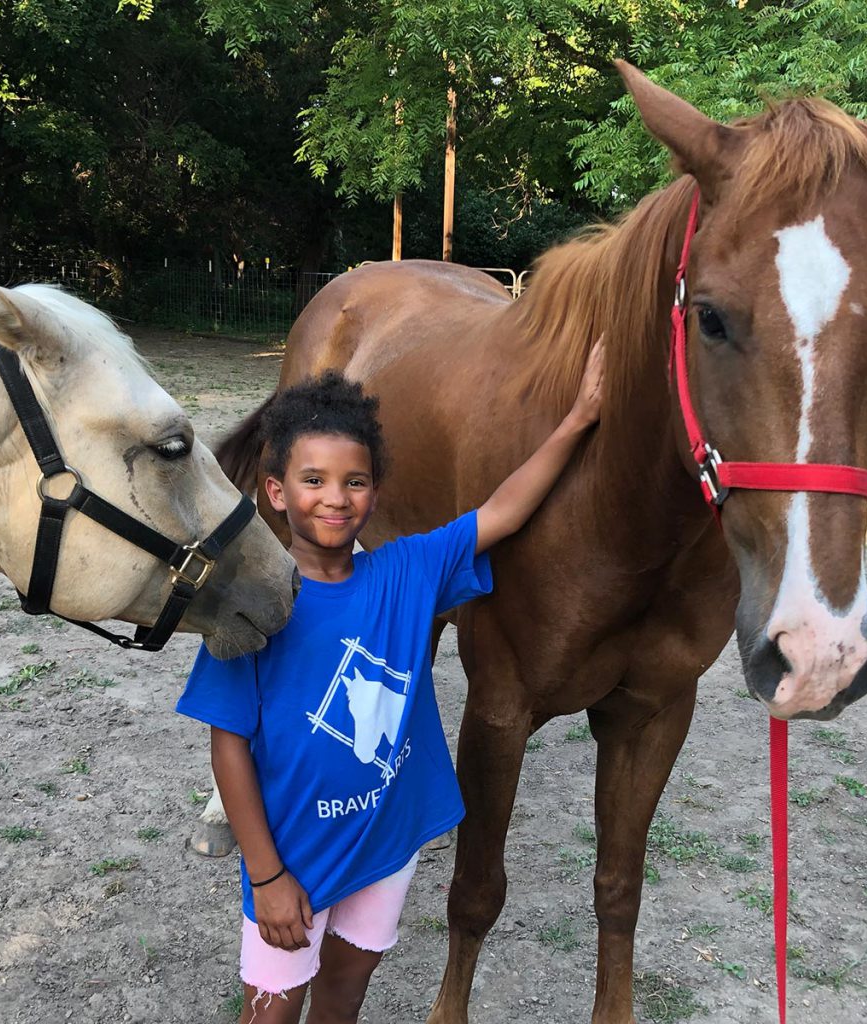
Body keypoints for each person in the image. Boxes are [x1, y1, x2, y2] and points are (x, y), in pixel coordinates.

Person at [176, 341, 604, 1024]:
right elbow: (227, 742)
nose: (336, 499)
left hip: (384, 849)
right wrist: (266, 876)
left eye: (355, 481)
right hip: (295, 860)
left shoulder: (407, 572)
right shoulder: (255, 604)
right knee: (271, 1010)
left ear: (376, 491)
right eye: (313, 480)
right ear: (277, 492)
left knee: (345, 994)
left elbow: (505, 511)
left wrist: (581, 416)